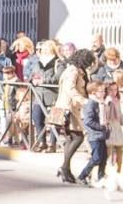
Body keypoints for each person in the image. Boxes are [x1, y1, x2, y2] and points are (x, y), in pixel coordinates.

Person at [54, 48, 95, 184]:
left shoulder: (77, 70)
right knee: (77, 137)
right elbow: (70, 88)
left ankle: (66, 169)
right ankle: (65, 167)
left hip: (70, 107)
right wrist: (84, 101)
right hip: (68, 108)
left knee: (71, 138)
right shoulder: (73, 71)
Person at [25, 40, 64, 152]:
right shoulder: (38, 62)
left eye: (47, 48)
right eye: (43, 48)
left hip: (54, 95)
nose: (44, 50)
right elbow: (31, 75)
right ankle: (42, 141)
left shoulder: (58, 62)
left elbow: (58, 78)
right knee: (37, 118)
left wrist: (43, 80)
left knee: (55, 119)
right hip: (38, 94)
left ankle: (52, 143)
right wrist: (32, 80)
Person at [77, 80, 109, 186]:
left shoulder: (100, 103)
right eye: (101, 91)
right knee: (96, 158)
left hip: (102, 135)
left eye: (104, 91)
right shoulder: (91, 104)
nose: (103, 93)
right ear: (92, 93)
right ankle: (82, 176)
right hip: (94, 136)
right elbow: (88, 121)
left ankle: (101, 177)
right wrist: (101, 127)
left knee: (104, 157)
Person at [103, 80, 123, 173]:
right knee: (108, 153)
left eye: (115, 90)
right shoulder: (105, 101)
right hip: (108, 129)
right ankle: (106, 172)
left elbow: (120, 115)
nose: (113, 92)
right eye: (111, 90)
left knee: (120, 150)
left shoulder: (117, 100)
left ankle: (118, 171)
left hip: (117, 128)